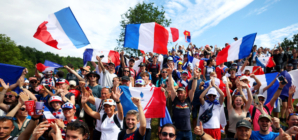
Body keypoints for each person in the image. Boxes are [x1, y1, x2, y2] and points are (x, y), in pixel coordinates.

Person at [167, 63, 199, 140]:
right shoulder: (175, 99)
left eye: (182, 92)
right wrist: (170, 74)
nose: (180, 94)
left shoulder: (188, 100)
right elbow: (171, 87)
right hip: (177, 132)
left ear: (185, 93)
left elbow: (193, 89)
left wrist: (195, 77)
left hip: (188, 132)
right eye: (179, 93)